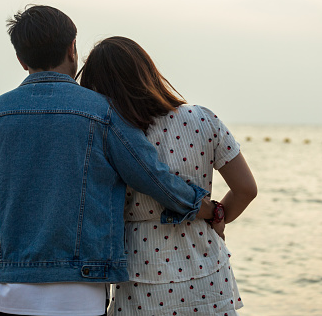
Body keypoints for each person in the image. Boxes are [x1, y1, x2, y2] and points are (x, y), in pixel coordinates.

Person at [0, 6, 219, 316]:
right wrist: (205, 207)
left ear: (21, 60)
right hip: (81, 298)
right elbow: (154, 178)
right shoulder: (104, 113)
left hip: (9, 294)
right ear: (72, 49)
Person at [78, 36, 257, 315]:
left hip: (142, 271)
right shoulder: (202, 119)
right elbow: (246, 189)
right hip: (207, 269)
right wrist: (217, 215)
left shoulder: (109, 133)